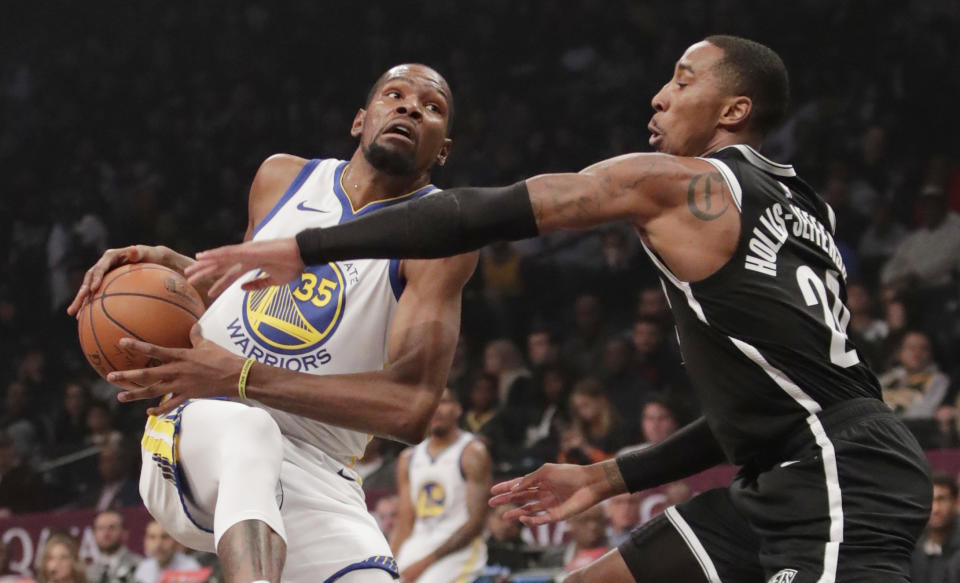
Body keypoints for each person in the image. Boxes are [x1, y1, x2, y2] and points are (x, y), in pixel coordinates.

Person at [188, 36, 933, 582]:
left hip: (840, 476)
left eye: (682, 79)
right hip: (783, 471)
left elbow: (483, 212)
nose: (660, 95)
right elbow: (768, 406)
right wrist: (608, 476)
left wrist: (312, 244)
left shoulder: (678, 183)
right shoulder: (807, 209)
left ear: (734, 108)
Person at [67, 63, 477, 582]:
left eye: (432, 107)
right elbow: (234, 292)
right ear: (359, 120)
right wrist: (173, 274)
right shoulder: (283, 177)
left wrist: (239, 374)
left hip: (321, 475)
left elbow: (412, 408)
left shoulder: (439, 242)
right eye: (393, 94)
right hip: (202, 428)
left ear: (443, 150)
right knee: (249, 425)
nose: (410, 107)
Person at [390, 389, 491, 583]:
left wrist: (422, 564)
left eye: (443, 402)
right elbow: (404, 523)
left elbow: (475, 524)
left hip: (458, 549)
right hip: (418, 544)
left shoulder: (472, 452)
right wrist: (388, 560)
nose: (436, 409)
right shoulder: (408, 458)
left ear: (458, 409)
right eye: (430, 403)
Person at [911, 473, 960, 583]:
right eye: (929, 500)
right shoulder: (912, 545)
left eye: (941, 499)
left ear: (955, 502)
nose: (935, 509)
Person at [132, 522, 202, 583]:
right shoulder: (143, 568)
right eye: (152, 537)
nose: (158, 544)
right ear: (145, 542)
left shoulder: (190, 567)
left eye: (164, 537)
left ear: (175, 540)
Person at [87, 510, 143, 583]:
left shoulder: (140, 565)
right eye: (101, 528)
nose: (106, 533)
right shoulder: (88, 570)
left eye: (112, 528)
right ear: (94, 534)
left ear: (124, 533)